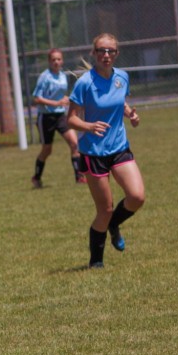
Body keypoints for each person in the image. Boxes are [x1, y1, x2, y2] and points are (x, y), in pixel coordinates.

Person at [67, 33, 145, 269]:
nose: (106, 55)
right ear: (94, 53)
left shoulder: (122, 77)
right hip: (93, 153)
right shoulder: (84, 83)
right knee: (105, 209)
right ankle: (96, 261)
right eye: (101, 50)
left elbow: (120, 102)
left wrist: (130, 114)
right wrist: (89, 126)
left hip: (119, 147)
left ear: (117, 54)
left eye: (111, 51)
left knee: (137, 197)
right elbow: (70, 119)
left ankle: (114, 224)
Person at [31, 48, 84, 188]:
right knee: (47, 150)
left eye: (59, 59)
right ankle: (36, 177)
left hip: (60, 115)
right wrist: (55, 103)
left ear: (62, 60)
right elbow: (36, 98)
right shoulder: (44, 77)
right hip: (46, 117)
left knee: (74, 143)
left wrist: (66, 99)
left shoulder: (62, 76)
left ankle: (79, 176)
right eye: (53, 59)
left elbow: (61, 96)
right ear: (49, 61)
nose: (56, 62)